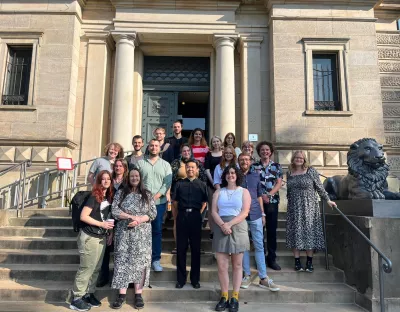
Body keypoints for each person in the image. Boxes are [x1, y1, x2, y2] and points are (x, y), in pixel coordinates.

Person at [68, 170, 114, 312]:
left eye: (108, 179)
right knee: (86, 268)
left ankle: (88, 294)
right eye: (103, 179)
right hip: (89, 237)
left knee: (96, 269)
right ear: (98, 181)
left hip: (101, 237)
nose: (105, 181)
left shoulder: (108, 197)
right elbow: (83, 216)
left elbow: (106, 217)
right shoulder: (94, 196)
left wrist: (109, 233)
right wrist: (101, 225)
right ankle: (76, 298)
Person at [110, 168, 157, 309]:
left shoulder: (147, 194)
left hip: (142, 235)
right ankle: (121, 295)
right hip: (124, 233)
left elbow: (152, 213)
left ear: (140, 178)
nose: (134, 178)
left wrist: (139, 220)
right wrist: (130, 217)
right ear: (128, 178)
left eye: (137, 176)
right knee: (122, 261)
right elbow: (114, 210)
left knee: (140, 263)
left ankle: (138, 295)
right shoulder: (121, 193)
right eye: (132, 176)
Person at [286, 151, 336, 272]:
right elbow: (288, 190)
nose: (299, 159)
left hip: (309, 207)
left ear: (304, 160)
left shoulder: (311, 171)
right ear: (293, 159)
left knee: (309, 233)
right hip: (294, 208)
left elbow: (319, 187)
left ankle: (309, 262)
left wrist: (328, 200)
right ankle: (297, 262)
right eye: (296, 158)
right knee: (295, 233)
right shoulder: (289, 173)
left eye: (301, 158)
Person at [238, 153, 280, 292]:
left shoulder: (256, 176)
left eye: (246, 159)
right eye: (241, 160)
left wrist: (262, 213)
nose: (244, 161)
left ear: (250, 162)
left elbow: (259, 195)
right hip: (240, 216)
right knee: (244, 247)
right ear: (238, 162)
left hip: (256, 214)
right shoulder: (235, 175)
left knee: (259, 246)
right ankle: (247, 275)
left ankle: (263, 277)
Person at [211, 165, 251, 312]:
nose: (230, 175)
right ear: (225, 176)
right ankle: (224, 296)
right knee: (222, 265)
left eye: (233, 173)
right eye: (228, 173)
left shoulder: (244, 191)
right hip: (221, 226)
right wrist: (223, 225)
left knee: (237, 265)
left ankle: (235, 296)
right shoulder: (218, 192)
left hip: (238, 226)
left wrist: (229, 224)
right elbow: (214, 211)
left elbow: (245, 211)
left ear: (237, 175)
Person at [136, 139, 172, 272]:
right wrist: (144, 196)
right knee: (141, 232)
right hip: (141, 203)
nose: (154, 147)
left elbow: (167, 183)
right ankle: (142, 259)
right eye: (151, 145)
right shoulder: (140, 163)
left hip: (159, 203)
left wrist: (156, 196)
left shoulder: (165, 165)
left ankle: (155, 259)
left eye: (156, 146)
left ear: (159, 148)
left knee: (156, 231)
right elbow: (135, 180)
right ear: (148, 147)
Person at [173, 160, 208, 289]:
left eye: (192, 167)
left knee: (195, 250)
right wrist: (177, 217)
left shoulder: (202, 185)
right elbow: (175, 202)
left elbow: (205, 202)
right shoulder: (179, 184)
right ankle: (181, 279)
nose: (190, 169)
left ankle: (195, 279)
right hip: (182, 216)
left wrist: (197, 213)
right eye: (188, 167)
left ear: (197, 169)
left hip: (195, 217)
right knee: (181, 249)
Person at [170, 144, 207, 254]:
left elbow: (203, 177)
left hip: (195, 195)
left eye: (188, 150)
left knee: (196, 223)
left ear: (191, 152)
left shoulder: (197, 163)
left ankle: (195, 245)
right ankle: (178, 246)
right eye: (183, 150)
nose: (186, 152)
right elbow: (171, 178)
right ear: (181, 152)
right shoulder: (175, 163)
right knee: (177, 222)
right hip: (179, 194)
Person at [97, 158, 129, 288]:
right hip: (108, 217)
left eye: (121, 166)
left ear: (125, 168)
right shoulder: (109, 181)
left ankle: (119, 278)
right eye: (116, 166)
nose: (118, 168)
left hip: (122, 218)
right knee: (105, 251)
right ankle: (103, 276)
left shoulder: (127, 183)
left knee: (121, 251)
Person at [253, 141, 283, 271]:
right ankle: (260, 258)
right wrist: (261, 196)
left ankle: (271, 258)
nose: (265, 152)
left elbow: (279, 183)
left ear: (270, 152)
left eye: (267, 150)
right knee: (259, 231)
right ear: (259, 152)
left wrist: (269, 195)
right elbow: (252, 183)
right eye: (262, 150)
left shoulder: (276, 166)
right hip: (257, 202)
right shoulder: (254, 167)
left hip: (272, 202)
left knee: (271, 231)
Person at [204, 136, 223, 239]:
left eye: (217, 141)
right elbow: (207, 170)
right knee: (212, 208)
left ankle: (221, 227)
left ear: (220, 142)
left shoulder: (224, 154)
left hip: (224, 185)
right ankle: (212, 230)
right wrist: (214, 183)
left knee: (222, 207)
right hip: (211, 184)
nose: (216, 143)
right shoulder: (209, 154)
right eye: (214, 142)